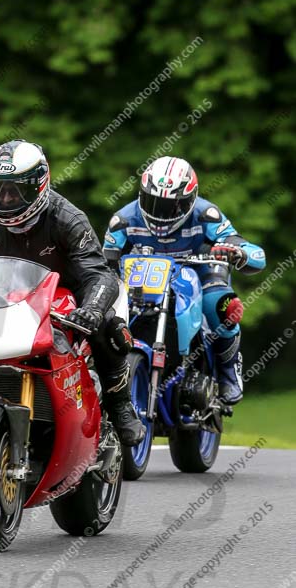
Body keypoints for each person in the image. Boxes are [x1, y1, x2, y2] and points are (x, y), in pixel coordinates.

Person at [0, 139, 144, 446]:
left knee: (108, 328)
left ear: (39, 185)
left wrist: (93, 309)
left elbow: (98, 274)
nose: (6, 199)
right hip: (7, 298)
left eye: (16, 189)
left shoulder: (68, 218)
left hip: (69, 296)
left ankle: (120, 404)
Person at [103, 156, 266, 405]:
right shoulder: (123, 220)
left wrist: (237, 252)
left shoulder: (207, 215)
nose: (161, 212)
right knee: (103, 309)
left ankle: (228, 372)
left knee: (224, 306)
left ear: (190, 199)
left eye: (171, 206)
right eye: (153, 202)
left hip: (200, 273)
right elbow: (105, 261)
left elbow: (244, 247)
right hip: (142, 279)